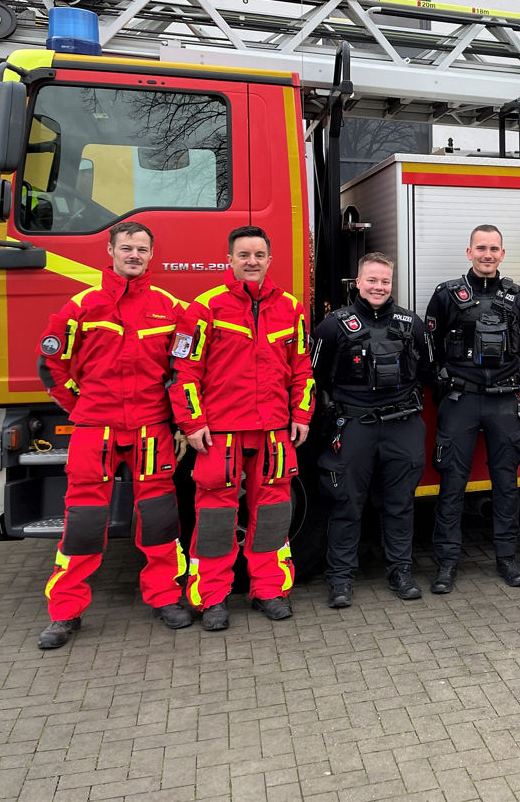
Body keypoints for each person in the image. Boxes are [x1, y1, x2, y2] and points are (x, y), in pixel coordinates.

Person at [35, 221, 189, 649]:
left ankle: (164, 597)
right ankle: (65, 612)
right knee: (84, 521)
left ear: (152, 254)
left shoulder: (171, 308)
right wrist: (79, 408)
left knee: (159, 519)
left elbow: (183, 370)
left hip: (151, 428)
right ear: (111, 250)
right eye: (127, 248)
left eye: (142, 248)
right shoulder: (81, 306)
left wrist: (177, 421)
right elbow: (50, 364)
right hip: (95, 430)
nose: (134, 255)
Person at [168, 226, 314, 631]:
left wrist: (300, 415)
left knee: (271, 517)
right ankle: (212, 599)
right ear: (229, 259)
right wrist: (192, 422)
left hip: (273, 432)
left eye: (259, 255)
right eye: (244, 254)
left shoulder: (290, 307)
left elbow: (301, 368)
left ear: (270, 259)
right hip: (222, 433)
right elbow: (184, 373)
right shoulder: (203, 308)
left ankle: (269, 590)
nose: (252, 261)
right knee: (215, 520)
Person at [312, 253, 432, 606]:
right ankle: (340, 579)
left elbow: (426, 370)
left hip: (402, 425)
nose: (379, 287)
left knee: (400, 503)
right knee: (346, 503)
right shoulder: (333, 325)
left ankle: (400, 572)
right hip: (353, 426)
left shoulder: (412, 323)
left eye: (385, 281)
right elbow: (313, 375)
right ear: (358, 282)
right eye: (372, 280)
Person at [425, 224, 520, 593]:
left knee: (507, 484)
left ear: (503, 254)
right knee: (452, 484)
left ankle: (507, 559)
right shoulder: (446, 295)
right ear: (468, 252)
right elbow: (432, 348)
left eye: (494, 249)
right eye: (481, 248)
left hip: (504, 400)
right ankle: (447, 564)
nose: (487, 255)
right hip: (461, 400)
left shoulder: (517, 297)